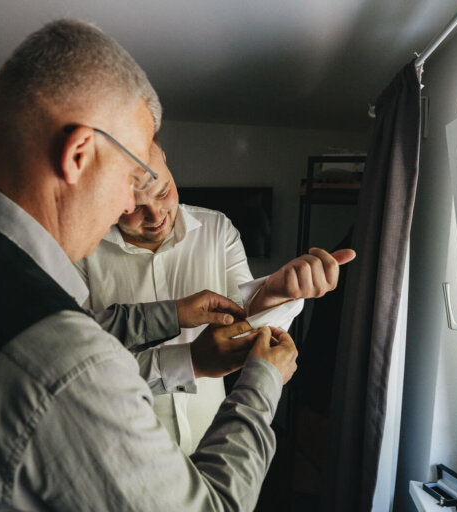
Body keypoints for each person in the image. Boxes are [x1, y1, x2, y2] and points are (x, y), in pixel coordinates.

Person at [0, 19, 298, 511]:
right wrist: (260, 384)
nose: (130, 206)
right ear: (79, 154)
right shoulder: (62, 362)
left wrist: (173, 317)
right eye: (131, 176)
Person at [76, 139, 356, 453]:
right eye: (135, 207)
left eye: (163, 191)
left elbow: (243, 324)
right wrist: (190, 362)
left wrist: (275, 292)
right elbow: (79, 366)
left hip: (210, 439)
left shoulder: (217, 229)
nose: (155, 215)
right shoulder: (81, 251)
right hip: (120, 449)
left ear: (166, 161)